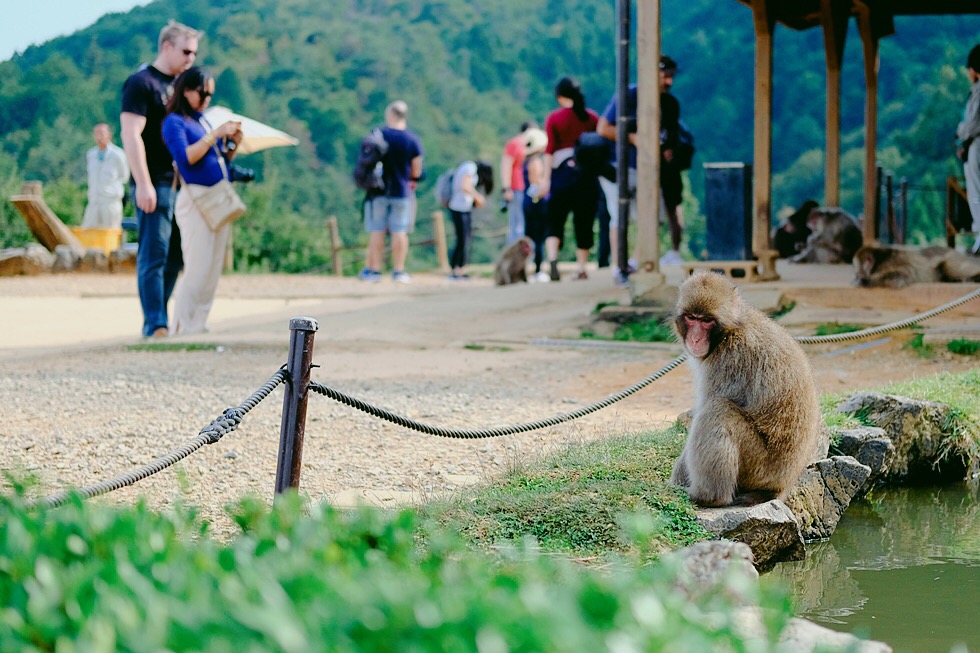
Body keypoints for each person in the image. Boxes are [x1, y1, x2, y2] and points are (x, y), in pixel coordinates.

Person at [121, 20, 201, 337]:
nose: (191, 58)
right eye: (186, 51)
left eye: (194, 53)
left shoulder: (181, 86)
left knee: (176, 255)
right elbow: (131, 134)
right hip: (153, 181)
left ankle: (161, 317)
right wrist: (143, 183)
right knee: (153, 253)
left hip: (180, 185)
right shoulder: (141, 83)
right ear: (167, 47)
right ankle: (154, 323)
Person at [162, 67, 243, 336]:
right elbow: (186, 158)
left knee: (212, 267)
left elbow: (218, 161)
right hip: (194, 199)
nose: (207, 99)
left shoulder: (202, 121)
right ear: (186, 91)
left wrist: (233, 144)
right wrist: (215, 134)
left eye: (210, 94)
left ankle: (199, 322)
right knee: (197, 265)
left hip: (216, 196)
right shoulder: (174, 122)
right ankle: (182, 324)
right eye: (203, 93)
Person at [596, 55, 687, 281]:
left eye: (671, 77)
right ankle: (619, 266)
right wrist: (633, 138)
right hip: (620, 167)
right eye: (665, 76)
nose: (669, 82)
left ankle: (634, 263)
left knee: (653, 218)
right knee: (620, 217)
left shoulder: (670, 104)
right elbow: (603, 128)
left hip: (649, 169)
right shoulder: (629, 95)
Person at [541, 76, 600, 281]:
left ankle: (553, 259)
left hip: (561, 175)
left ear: (560, 96)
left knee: (555, 219)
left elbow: (549, 150)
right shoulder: (591, 117)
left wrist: (546, 179)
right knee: (584, 221)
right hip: (586, 176)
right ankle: (581, 267)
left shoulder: (554, 118)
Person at [359, 100, 423, 283]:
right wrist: (411, 179)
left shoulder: (379, 135)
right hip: (402, 191)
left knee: (377, 231)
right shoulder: (412, 139)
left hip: (378, 191)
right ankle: (398, 271)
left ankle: (374, 271)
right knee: (400, 231)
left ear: (391, 114)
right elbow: (417, 169)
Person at [447, 160, 494, 280]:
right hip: (459, 208)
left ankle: (460, 269)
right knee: (462, 239)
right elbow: (465, 186)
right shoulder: (470, 167)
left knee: (464, 239)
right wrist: (478, 197)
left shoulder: (469, 167)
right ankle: (456, 269)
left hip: (464, 208)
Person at [81, 123, 129, 229]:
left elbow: (124, 176)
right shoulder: (91, 154)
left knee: (111, 230)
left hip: (110, 200)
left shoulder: (118, 154)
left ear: (109, 135)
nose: (99, 137)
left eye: (102, 133)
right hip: (94, 200)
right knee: (88, 229)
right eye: (96, 134)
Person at [956, 44, 980, 255]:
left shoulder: (978, 91)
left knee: (976, 192)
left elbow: (972, 124)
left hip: (977, 145)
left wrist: (960, 135)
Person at [521, 128, 550, 281]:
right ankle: (538, 269)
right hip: (536, 203)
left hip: (528, 202)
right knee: (538, 239)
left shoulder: (526, 161)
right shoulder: (535, 162)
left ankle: (529, 269)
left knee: (531, 238)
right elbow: (536, 183)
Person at [500, 122, 533, 245]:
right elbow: (506, 165)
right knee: (516, 223)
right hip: (514, 187)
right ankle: (515, 250)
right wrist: (506, 188)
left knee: (520, 221)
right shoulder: (515, 143)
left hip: (521, 186)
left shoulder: (523, 145)